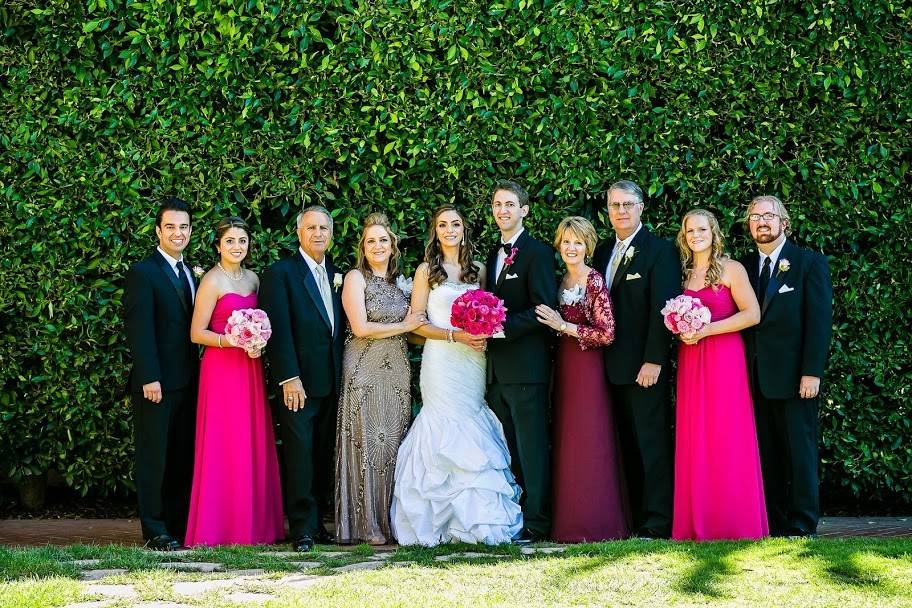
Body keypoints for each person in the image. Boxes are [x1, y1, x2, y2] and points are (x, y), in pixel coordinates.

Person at [391, 204, 523, 546]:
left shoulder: (477, 269)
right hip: (441, 362)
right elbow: (416, 322)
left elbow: (491, 313)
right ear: (435, 231)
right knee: (442, 422)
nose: (449, 230)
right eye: (442, 225)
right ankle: (436, 519)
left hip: (472, 361)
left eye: (455, 224)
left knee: (471, 419)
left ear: (464, 229)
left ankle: (477, 519)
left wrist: (482, 333)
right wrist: (454, 335)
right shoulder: (425, 271)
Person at [184, 217, 284, 546]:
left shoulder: (254, 279)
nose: (237, 247)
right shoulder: (212, 281)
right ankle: (219, 528)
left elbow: (265, 322)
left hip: (250, 368)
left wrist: (257, 340)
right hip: (221, 370)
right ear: (217, 246)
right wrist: (231, 340)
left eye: (242, 241)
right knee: (224, 442)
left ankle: (253, 527)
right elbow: (197, 333)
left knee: (249, 440)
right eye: (230, 241)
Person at [739, 195, 833, 538]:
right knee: (767, 453)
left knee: (800, 451)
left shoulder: (808, 263)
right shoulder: (742, 267)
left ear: (784, 222)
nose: (761, 221)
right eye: (755, 216)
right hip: (753, 378)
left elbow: (819, 323)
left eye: (769, 215)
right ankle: (774, 522)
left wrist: (812, 372)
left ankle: (802, 522)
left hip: (796, 377)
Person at [671, 209, 768, 540]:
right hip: (690, 358)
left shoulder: (731, 269)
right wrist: (679, 326)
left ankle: (735, 520)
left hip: (724, 358)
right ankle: (698, 520)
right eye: (690, 230)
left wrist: (707, 329)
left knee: (728, 432)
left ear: (714, 232)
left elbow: (752, 314)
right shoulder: (682, 274)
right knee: (695, 433)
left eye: (702, 229)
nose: (696, 235)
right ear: (683, 236)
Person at [591, 180, 678, 539]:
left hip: (644, 367)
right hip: (607, 368)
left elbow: (664, 308)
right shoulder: (601, 252)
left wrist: (654, 360)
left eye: (628, 204)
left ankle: (658, 521)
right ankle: (632, 518)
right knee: (623, 444)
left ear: (642, 207)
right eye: (615, 205)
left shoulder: (660, 251)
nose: (621, 211)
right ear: (607, 211)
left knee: (651, 444)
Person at [535, 217, 629, 542]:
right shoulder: (560, 279)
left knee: (589, 439)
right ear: (559, 245)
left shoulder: (593, 280)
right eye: (566, 242)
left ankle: (596, 522)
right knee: (566, 439)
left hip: (587, 368)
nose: (571, 248)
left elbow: (607, 333)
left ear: (587, 246)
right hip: (563, 367)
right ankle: (568, 522)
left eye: (577, 242)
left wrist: (564, 327)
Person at [335, 213, 427, 545]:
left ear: (392, 246)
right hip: (364, 370)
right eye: (371, 240)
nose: (378, 246)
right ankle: (365, 524)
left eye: (383, 240)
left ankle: (392, 521)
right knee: (368, 442)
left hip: (398, 372)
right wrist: (406, 326)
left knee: (394, 445)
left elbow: (418, 331)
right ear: (363, 247)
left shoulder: (401, 283)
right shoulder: (354, 278)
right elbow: (360, 328)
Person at [260, 205, 345, 552]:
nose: (318, 234)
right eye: (311, 228)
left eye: (324, 228)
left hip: (331, 381)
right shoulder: (280, 274)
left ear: (331, 233)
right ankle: (301, 529)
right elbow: (277, 331)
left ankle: (318, 524)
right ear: (298, 233)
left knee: (323, 454)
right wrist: (288, 377)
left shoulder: (339, 274)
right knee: (299, 454)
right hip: (298, 384)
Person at [484, 180, 557, 544]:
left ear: (524, 210)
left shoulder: (538, 253)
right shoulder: (491, 252)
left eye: (510, 204)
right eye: (497, 204)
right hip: (497, 371)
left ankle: (538, 522)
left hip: (527, 369)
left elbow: (543, 310)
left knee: (531, 448)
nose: (503, 211)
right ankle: (516, 515)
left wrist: (498, 327)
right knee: (509, 447)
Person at [124, 196, 198, 551]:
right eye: (170, 227)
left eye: (183, 226)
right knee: (154, 458)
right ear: (158, 231)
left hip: (188, 381)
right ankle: (154, 530)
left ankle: (177, 526)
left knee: (181, 456)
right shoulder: (143, 273)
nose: (177, 233)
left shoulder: (190, 272)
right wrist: (148, 377)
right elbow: (140, 330)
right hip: (155, 384)